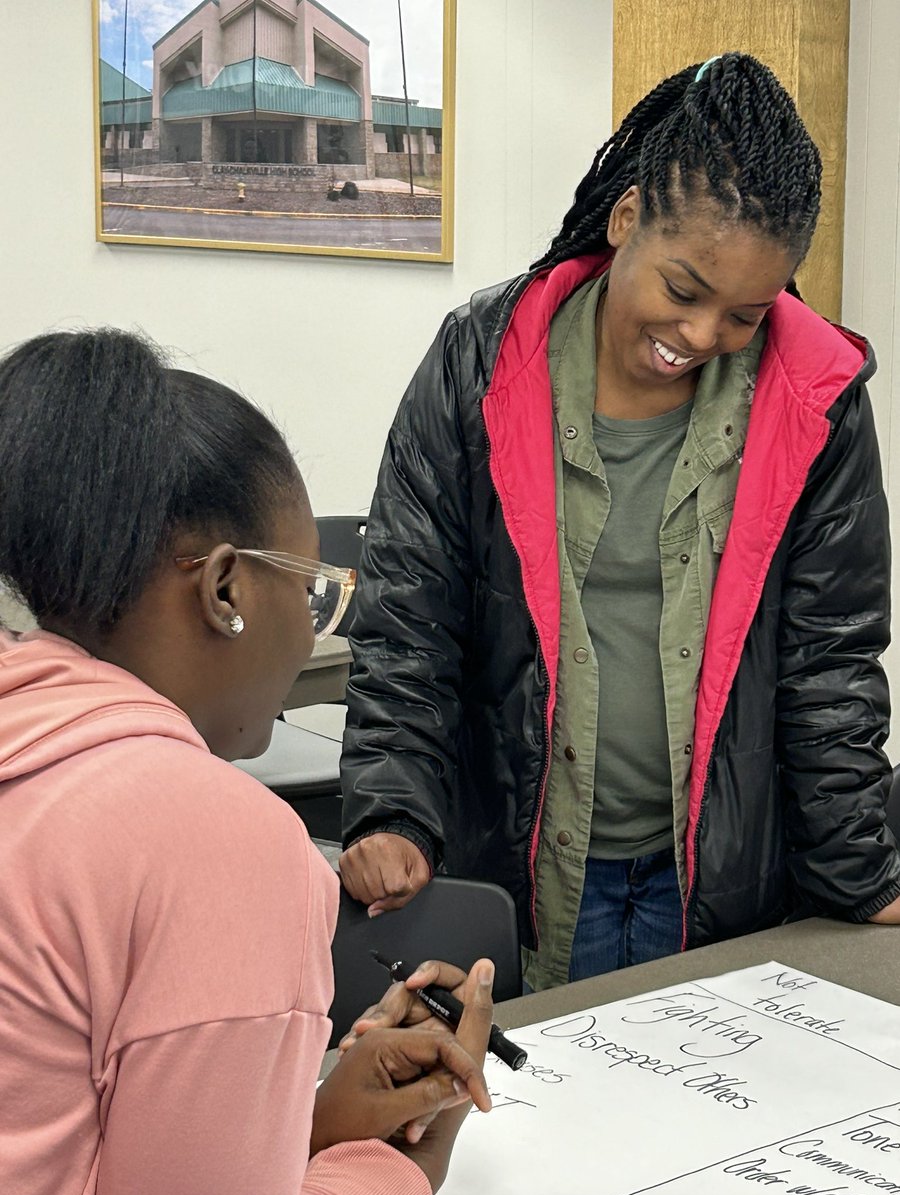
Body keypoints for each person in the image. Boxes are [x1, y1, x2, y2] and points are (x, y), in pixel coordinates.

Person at [339, 52, 900, 993]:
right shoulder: (482, 364)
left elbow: (829, 664)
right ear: (628, 217)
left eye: (745, 316)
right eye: (683, 291)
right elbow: (408, 616)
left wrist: (864, 871)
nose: (701, 336)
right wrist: (391, 810)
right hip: (533, 870)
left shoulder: (817, 401)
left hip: (725, 881)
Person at [0, 328, 495, 1195]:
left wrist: (310, 1120)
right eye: (309, 589)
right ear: (224, 589)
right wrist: (394, 1164)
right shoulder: (220, 844)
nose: (312, 631)